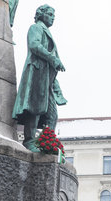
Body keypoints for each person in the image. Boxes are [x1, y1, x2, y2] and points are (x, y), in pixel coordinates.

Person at [12, 4, 67, 150]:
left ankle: (46, 143)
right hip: (36, 73)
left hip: (47, 78)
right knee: (35, 108)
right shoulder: (36, 28)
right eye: (50, 14)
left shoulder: (46, 31)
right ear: (41, 14)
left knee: (52, 115)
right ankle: (29, 140)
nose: (52, 17)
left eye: (53, 15)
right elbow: (34, 45)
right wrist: (53, 59)